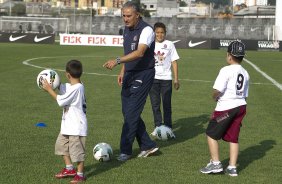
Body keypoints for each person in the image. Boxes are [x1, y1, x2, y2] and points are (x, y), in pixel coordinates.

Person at [103, 1, 159, 161]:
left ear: (137, 15)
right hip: (129, 73)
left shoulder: (147, 30)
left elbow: (140, 53)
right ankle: (148, 145)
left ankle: (125, 151)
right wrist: (123, 70)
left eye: (128, 16)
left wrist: (118, 61)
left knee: (132, 112)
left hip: (143, 74)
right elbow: (128, 51)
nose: (125, 19)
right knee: (127, 111)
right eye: (123, 16)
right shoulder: (126, 30)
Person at [200, 40, 250, 177]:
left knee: (211, 133)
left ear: (229, 55)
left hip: (227, 107)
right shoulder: (245, 73)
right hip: (241, 107)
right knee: (234, 137)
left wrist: (215, 97)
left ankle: (216, 164)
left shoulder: (226, 70)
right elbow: (245, 95)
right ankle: (232, 167)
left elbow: (218, 90)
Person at [42, 60, 87, 183]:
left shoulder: (77, 88)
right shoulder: (74, 86)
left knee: (77, 152)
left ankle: (80, 175)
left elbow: (61, 101)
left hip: (77, 127)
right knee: (61, 146)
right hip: (68, 126)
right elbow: (63, 87)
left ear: (67, 74)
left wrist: (49, 90)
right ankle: (69, 168)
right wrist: (53, 81)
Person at [149, 22, 180, 138]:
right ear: (154, 33)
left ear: (165, 33)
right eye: (157, 32)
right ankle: (157, 127)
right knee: (155, 104)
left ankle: (168, 128)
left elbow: (174, 62)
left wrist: (176, 79)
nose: (160, 35)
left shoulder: (170, 44)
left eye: (162, 32)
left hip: (166, 79)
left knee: (167, 105)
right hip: (153, 79)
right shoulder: (150, 44)